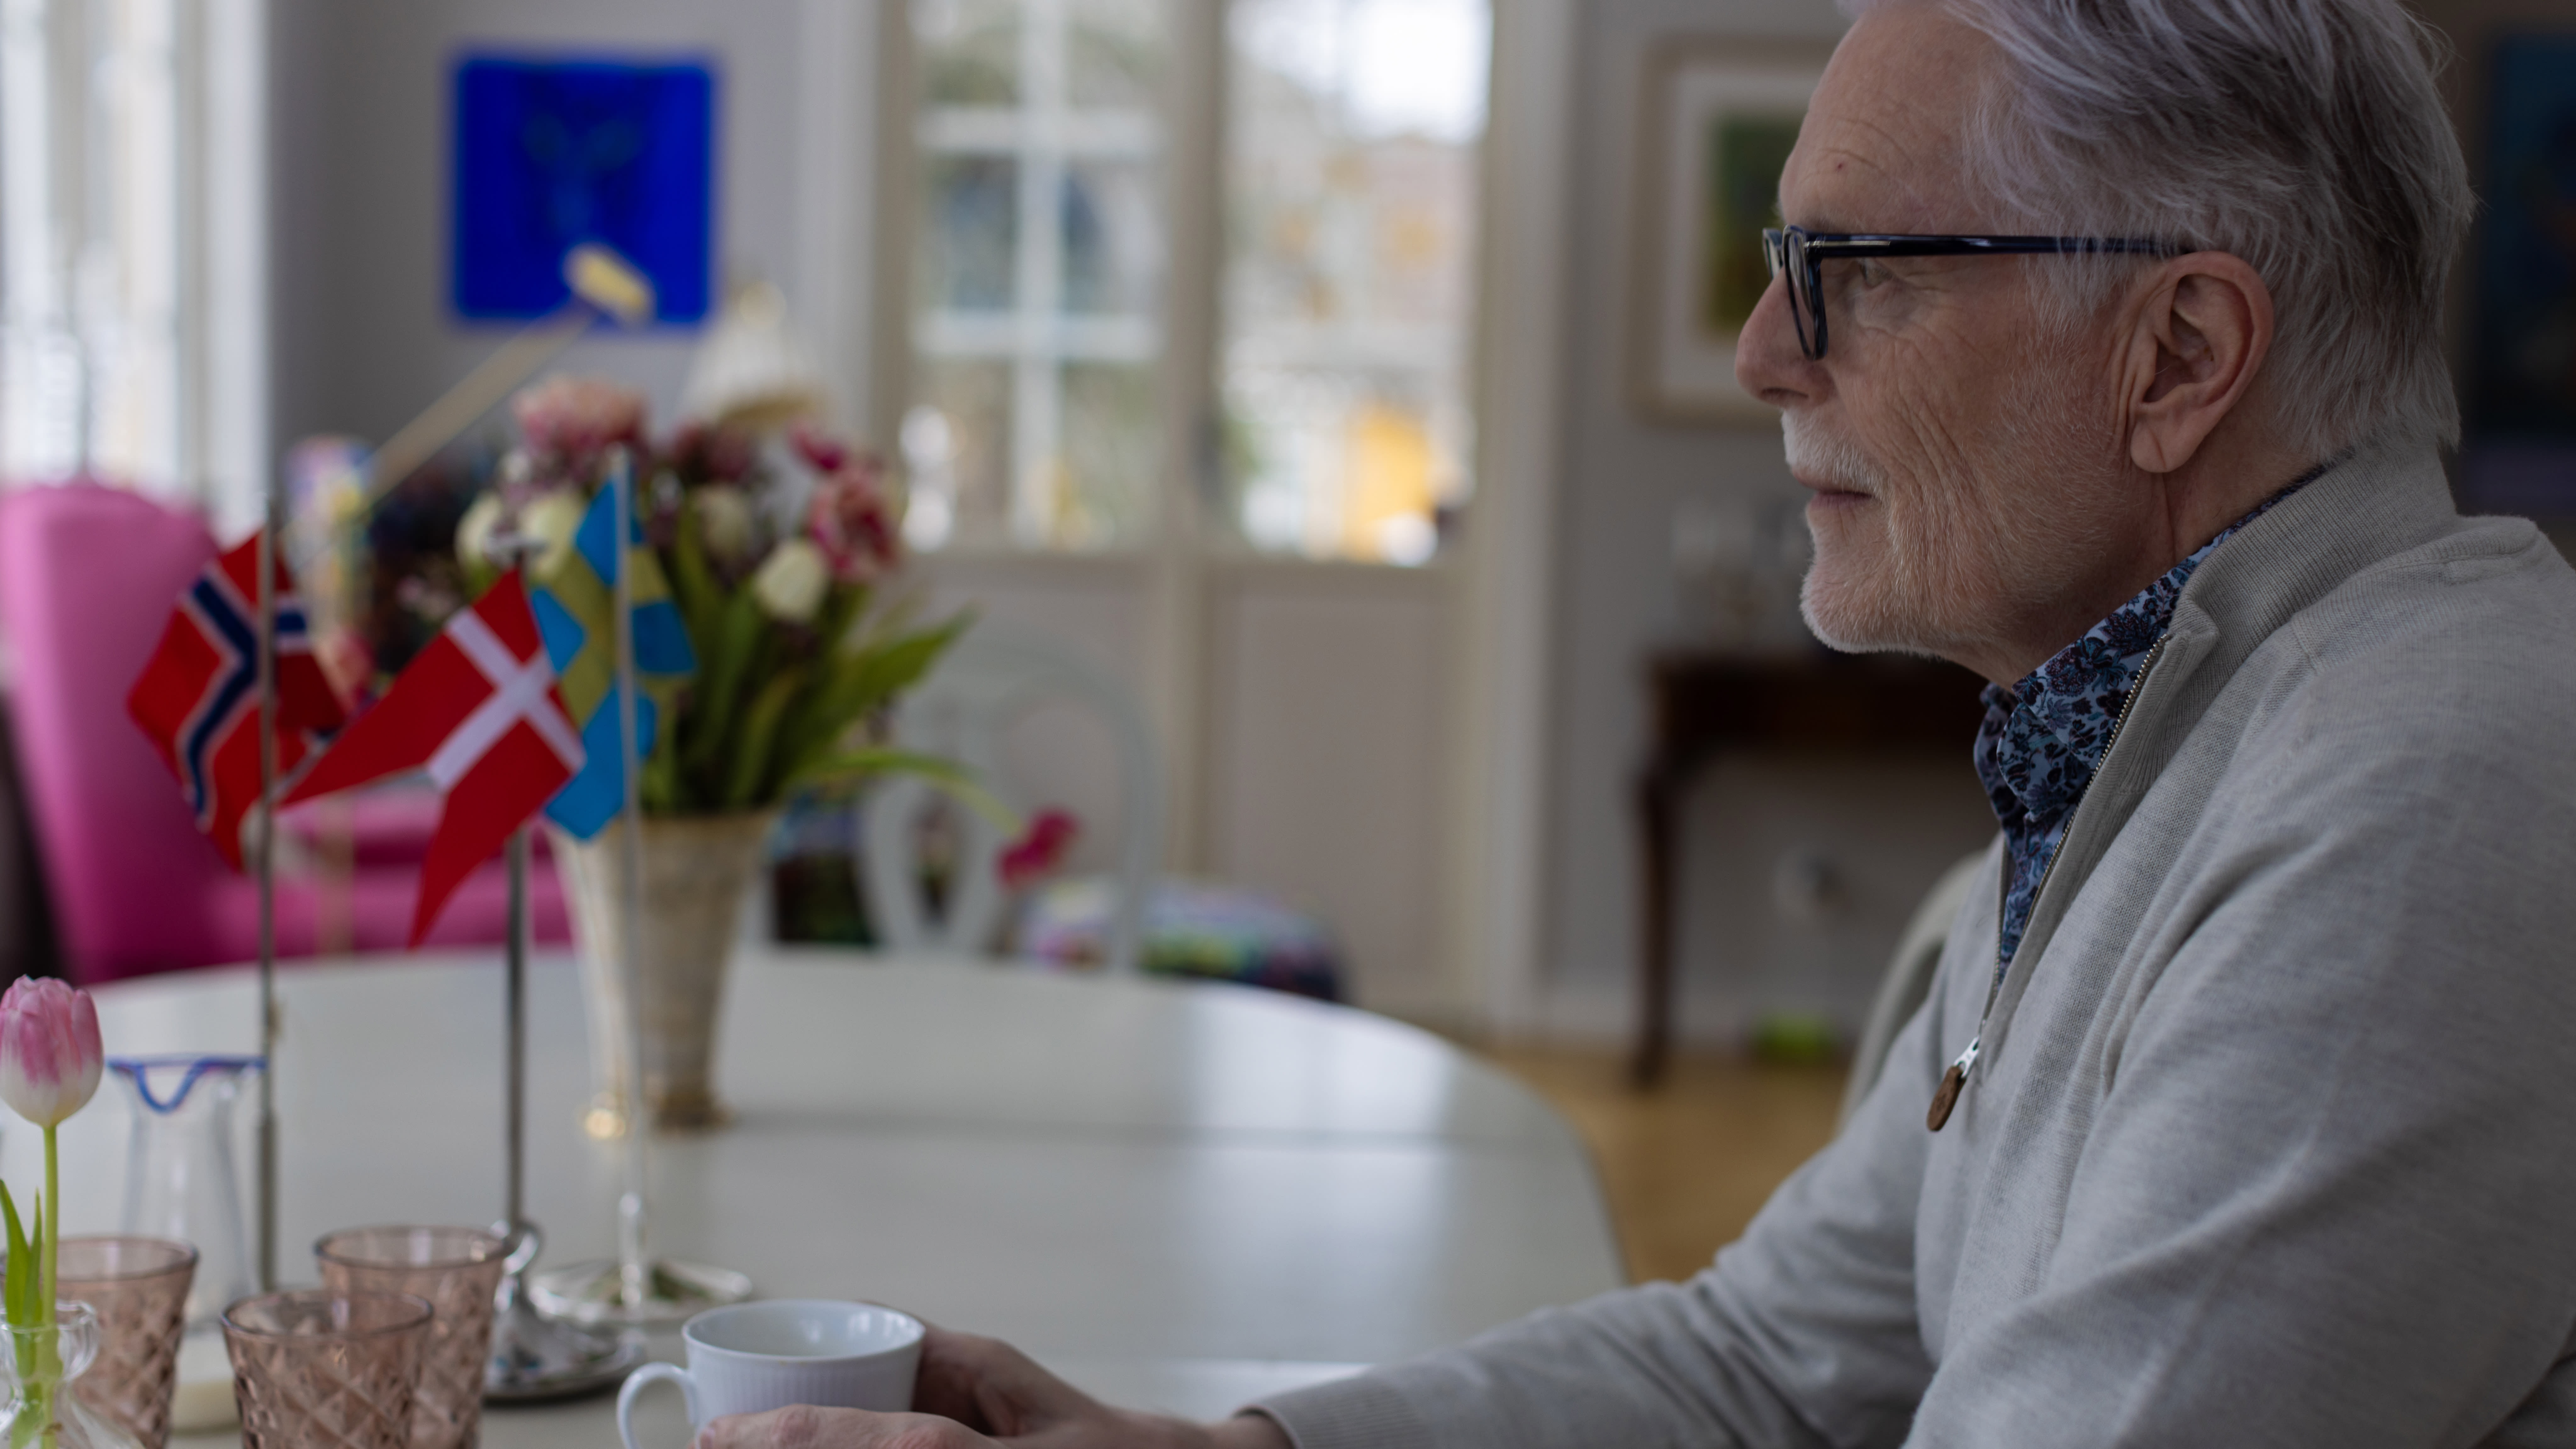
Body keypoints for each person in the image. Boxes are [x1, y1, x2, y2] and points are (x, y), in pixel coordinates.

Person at [697, 0, 2576, 1443]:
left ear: (2174, 354)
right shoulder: (2160, 729)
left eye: (1844, 274)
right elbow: (1769, 1361)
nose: (1765, 352)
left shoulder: (2425, 794)